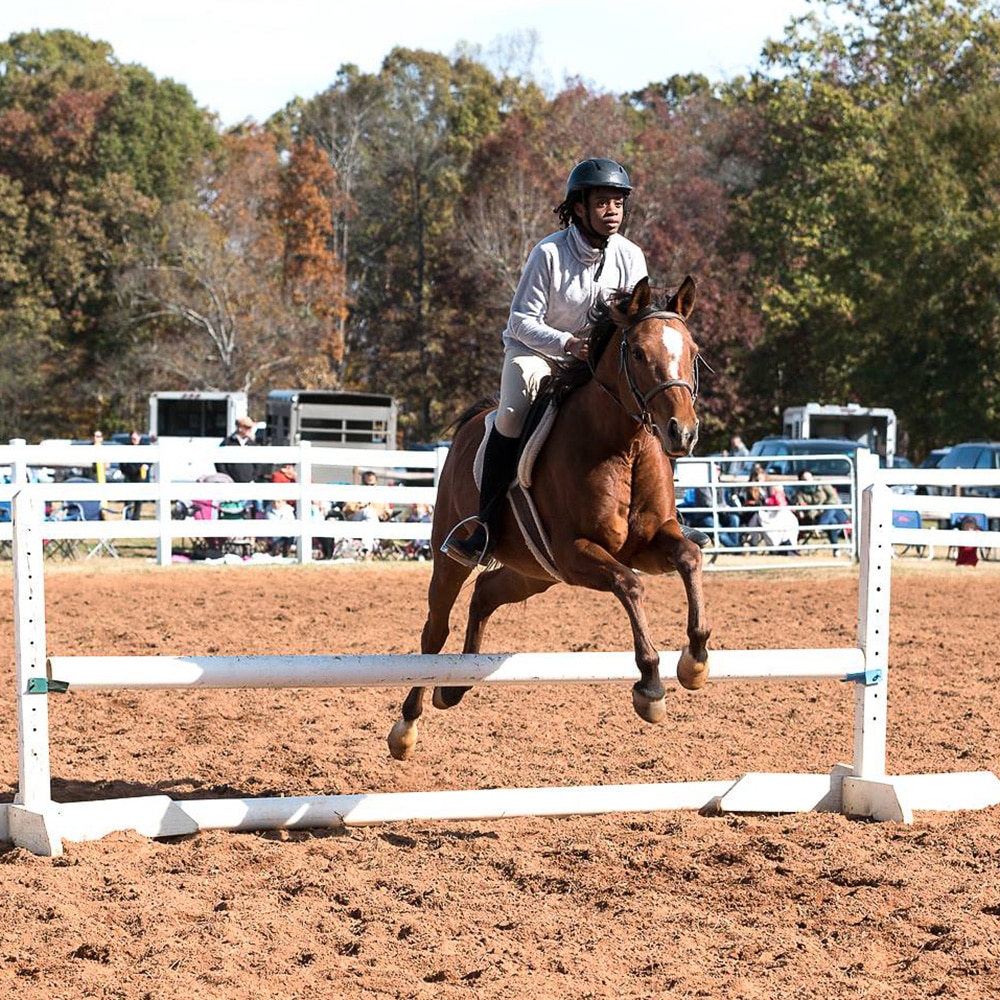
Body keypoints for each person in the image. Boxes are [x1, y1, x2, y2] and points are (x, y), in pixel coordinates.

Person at [443, 156, 706, 567]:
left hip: (595, 361)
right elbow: (521, 320)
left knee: (653, 408)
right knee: (511, 415)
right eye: (602, 202)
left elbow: (637, 321)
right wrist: (567, 344)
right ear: (579, 207)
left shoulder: (630, 256)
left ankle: (670, 517)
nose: (612, 211)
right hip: (536, 351)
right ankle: (486, 525)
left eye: (618, 203)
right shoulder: (548, 252)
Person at [793, 468, 849, 549]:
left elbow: (834, 498)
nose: (808, 481)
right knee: (833, 522)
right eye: (805, 480)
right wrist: (817, 511)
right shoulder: (800, 493)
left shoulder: (822, 484)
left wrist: (824, 508)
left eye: (809, 478)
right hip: (819, 516)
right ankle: (836, 550)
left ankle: (819, 528)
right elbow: (802, 508)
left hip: (837, 512)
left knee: (831, 509)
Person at [215, 415, 261, 484]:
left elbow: (258, 462)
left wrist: (254, 478)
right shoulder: (228, 442)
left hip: (249, 482)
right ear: (240, 428)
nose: (250, 430)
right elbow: (219, 462)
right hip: (230, 482)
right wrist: (226, 477)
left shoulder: (252, 444)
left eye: (250, 428)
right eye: (247, 427)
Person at [118, 429, 148, 520]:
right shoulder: (126, 447)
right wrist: (124, 470)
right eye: (132, 439)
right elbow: (122, 462)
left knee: (139, 499)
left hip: (139, 475)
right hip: (129, 475)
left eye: (135, 438)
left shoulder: (144, 448)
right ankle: (127, 516)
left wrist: (146, 466)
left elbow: (148, 461)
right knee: (128, 498)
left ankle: (136, 517)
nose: (133, 440)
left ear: (139, 437)